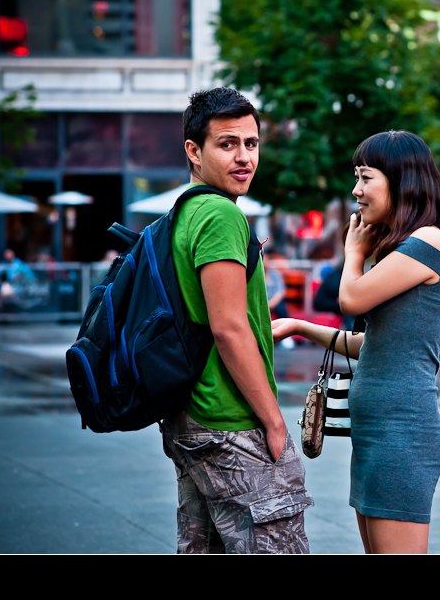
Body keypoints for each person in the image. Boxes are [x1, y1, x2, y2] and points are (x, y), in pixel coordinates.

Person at [271, 130, 440, 554]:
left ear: (401, 179)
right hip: (377, 431)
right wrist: (299, 326)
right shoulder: (403, 248)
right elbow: (372, 344)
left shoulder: (430, 241)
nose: (356, 190)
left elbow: (349, 299)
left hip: (403, 431)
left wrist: (353, 252)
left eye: (365, 177)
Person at [158, 87, 313, 554]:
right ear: (194, 150)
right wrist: (274, 423)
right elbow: (229, 327)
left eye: (252, 143)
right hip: (231, 422)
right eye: (227, 144)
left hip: (192, 420)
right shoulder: (222, 215)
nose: (244, 156)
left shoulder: (184, 210)